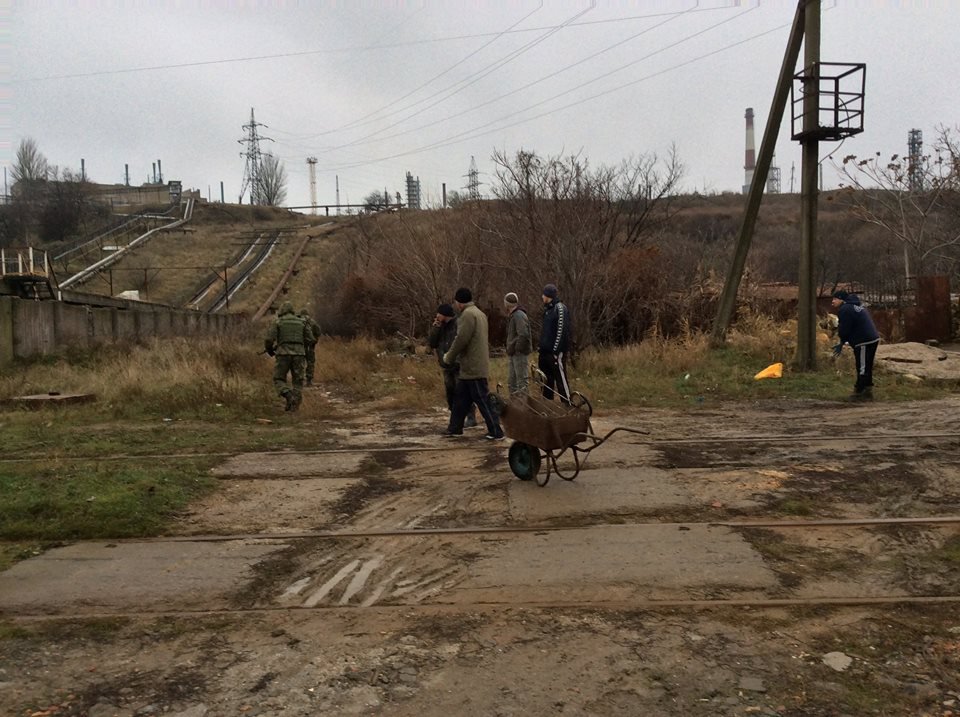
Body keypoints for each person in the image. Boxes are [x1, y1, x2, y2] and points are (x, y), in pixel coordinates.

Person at [442, 287, 504, 440]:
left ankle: (496, 431)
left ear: (460, 303)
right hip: (473, 365)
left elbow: (461, 339)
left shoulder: (467, 315)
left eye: (456, 302)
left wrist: (448, 357)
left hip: (472, 366)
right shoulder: (480, 314)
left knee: (482, 400)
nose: (456, 305)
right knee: (460, 399)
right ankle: (454, 428)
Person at [427, 303, 477, 428]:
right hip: (445, 364)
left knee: (462, 391)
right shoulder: (440, 326)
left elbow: (462, 342)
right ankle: (455, 416)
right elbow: (432, 343)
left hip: (458, 364)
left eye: (439, 314)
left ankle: (470, 416)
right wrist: (436, 328)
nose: (437, 316)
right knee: (450, 391)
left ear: (444, 314)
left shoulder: (457, 324)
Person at [264, 301, 314, 411]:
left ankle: (288, 395)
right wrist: (301, 346)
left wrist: (270, 351)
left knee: (279, 378)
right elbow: (310, 339)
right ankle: (294, 406)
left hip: (283, 354)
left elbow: (269, 339)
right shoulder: (302, 322)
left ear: (282, 311)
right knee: (298, 380)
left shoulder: (278, 322)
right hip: (299, 355)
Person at [831, 289, 880, 400]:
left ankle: (860, 392)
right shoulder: (855, 306)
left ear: (841, 299)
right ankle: (868, 391)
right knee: (867, 366)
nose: (832, 302)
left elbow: (844, 329)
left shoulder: (845, 309)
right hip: (872, 338)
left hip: (863, 340)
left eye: (834, 299)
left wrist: (842, 340)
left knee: (862, 366)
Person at [538, 283, 571, 405]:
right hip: (545, 351)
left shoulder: (560, 308)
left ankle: (567, 403)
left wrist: (556, 350)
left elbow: (561, 330)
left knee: (561, 379)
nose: (542, 297)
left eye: (544, 294)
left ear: (548, 295)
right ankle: (548, 405)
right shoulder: (547, 310)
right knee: (547, 380)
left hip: (555, 353)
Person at [503, 291, 532, 394]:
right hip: (513, 353)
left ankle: (524, 407)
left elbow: (523, 334)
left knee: (521, 383)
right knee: (512, 382)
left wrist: (517, 349)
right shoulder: (513, 315)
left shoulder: (519, 315)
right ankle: (514, 407)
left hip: (519, 353)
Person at [299, 308, 321, 387]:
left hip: (300, 346)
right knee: (310, 362)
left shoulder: (298, 321)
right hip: (309, 346)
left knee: (300, 363)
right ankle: (309, 381)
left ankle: (299, 380)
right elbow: (318, 331)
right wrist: (314, 341)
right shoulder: (312, 321)